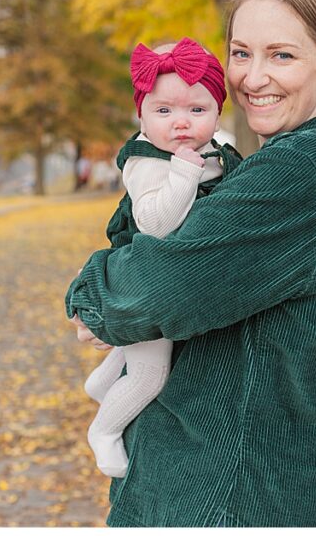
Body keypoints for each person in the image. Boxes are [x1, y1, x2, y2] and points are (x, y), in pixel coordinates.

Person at [66, 0, 316, 527]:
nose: (253, 77)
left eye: (281, 55)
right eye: (240, 53)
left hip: (231, 490)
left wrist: (94, 293)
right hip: (250, 478)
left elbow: (156, 291)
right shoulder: (311, 163)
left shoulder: (304, 168)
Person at [83, 37, 233, 478]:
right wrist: (186, 173)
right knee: (151, 375)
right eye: (164, 111)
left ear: (218, 113)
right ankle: (104, 430)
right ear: (142, 115)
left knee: (145, 344)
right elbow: (156, 223)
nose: (180, 123)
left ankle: (103, 381)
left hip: (172, 279)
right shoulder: (147, 161)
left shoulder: (207, 149)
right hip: (146, 282)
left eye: (197, 110)